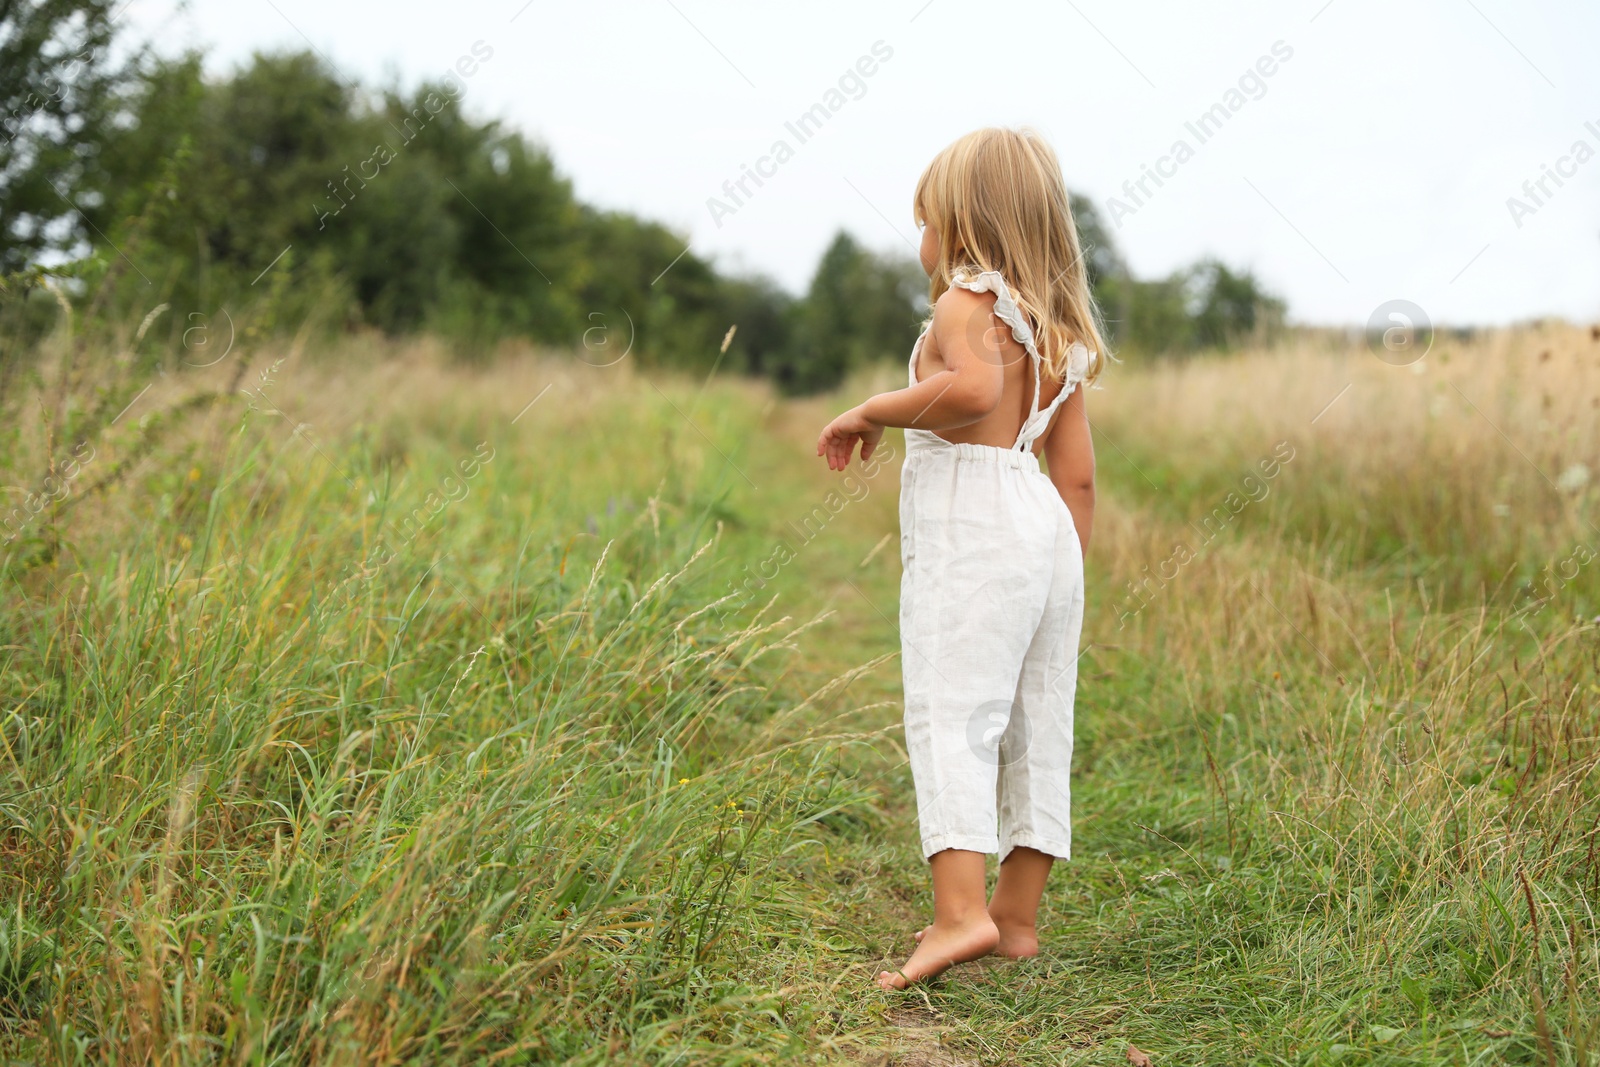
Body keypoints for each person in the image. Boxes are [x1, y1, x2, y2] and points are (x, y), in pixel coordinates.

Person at [815, 126, 1106, 989]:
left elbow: (972, 392)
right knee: (1034, 717)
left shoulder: (967, 303)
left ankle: (958, 914)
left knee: (954, 705)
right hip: (1045, 527)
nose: (922, 242)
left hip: (977, 527)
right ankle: (1016, 917)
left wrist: (873, 406)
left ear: (965, 224)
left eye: (927, 221)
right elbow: (1080, 476)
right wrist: (1066, 577)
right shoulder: (1057, 332)